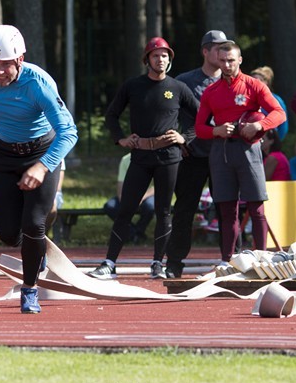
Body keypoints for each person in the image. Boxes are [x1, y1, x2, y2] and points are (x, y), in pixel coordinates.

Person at [0, 25, 78, 314]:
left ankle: (29, 289)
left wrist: (43, 167)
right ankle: (35, 249)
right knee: (8, 234)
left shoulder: (39, 84)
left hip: (42, 153)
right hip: (5, 155)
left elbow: (69, 132)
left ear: (20, 60)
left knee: (33, 224)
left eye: (5, 65)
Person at [88, 37, 199, 281]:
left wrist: (184, 137)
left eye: (165, 55)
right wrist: (121, 140)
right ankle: (109, 263)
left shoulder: (178, 87)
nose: (161, 59)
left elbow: (201, 117)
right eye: (156, 55)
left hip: (169, 157)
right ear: (147, 59)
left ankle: (158, 263)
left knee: (164, 211)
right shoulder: (132, 86)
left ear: (170, 59)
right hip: (139, 157)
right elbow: (112, 116)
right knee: (125, 209)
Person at [194, 42, 286, 266]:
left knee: (256, 206)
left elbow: (279, 113)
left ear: (240, 60)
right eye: (223, 60)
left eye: (231, 60)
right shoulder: (211, 92)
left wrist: (260, 125)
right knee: (227, 209)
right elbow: (199, 129)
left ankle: (262, 258)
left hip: (249, 150)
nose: (227, 65)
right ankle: (227, 260)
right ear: (217, 60)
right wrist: (216, 130)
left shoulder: (254, 86)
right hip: (221, 151)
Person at [165, 30, 233, 279]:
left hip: (224, 156)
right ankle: (174, 264)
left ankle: (232, 262)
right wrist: (179, 139)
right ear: (205, 51)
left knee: (227, 209)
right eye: (218, 48)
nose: (223, 54)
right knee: (184, 209)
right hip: (192, 156)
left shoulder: (234, 80)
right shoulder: (184, 81)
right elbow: (170, 113)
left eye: (226, 49)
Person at [103, 153, 155, 244]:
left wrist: (141, 198)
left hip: (148, 195)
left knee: (150, 207)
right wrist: (123, 198)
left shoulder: (154, 158)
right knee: (110, 206)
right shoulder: (126, 159)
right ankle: (134, 233)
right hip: (129, 195)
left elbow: (157, 186)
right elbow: (120, 184)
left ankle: (136, 232)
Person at [250, 66, 288, 140]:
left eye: (260, 80)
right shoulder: (245, 98)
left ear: (266, 82)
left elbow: (283, 125)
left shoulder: (276, 99)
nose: (256, 83)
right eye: (253, 80)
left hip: (271, 141)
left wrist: (276, 141)